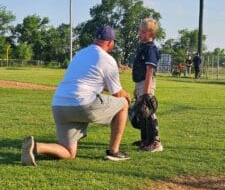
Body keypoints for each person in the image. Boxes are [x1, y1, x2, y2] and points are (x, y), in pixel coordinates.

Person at [21, 25, 131, 166]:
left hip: (59, 105)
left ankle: (36, 147)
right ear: (110, 42)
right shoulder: (107, 59)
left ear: (95, 39)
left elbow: (88, 80)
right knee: (123, 104)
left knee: (69, 152)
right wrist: (127, 96)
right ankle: (114, 151)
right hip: (82, 104)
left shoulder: (81, 53)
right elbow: (117, 93)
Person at [131, 18, 163, 152]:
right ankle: (146, 140)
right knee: (141, 112)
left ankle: (155, 141)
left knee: (148, 110)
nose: (140, 34)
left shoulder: (150, 49)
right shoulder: (142, 47)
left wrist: (145, 92)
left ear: (151, 34)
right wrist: (137, 88)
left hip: (147, 82)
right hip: (141, 83)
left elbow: (150, 70)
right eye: (140, 31)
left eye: (144, 32)